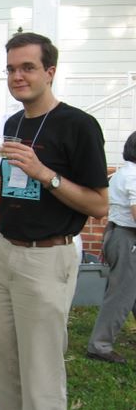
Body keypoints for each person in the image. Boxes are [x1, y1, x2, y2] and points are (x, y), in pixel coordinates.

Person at [0, 32, 109, 410]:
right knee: (1, 366)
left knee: (41, 374)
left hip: (46, 257)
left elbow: (98, 204)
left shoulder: (79, 126)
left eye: (28, 67)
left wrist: (45, 174)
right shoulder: (14, 123)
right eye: (11, 69)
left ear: (50, 72)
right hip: (1, 253)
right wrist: (2, 221)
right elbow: (13, 184)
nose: (17, 76)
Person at [87, 131, 136, 365]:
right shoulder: (134, 176)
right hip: (128, 238)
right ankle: (100, 345)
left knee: (130, 290)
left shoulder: (121, 173)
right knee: (121, 296)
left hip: (116, 233)